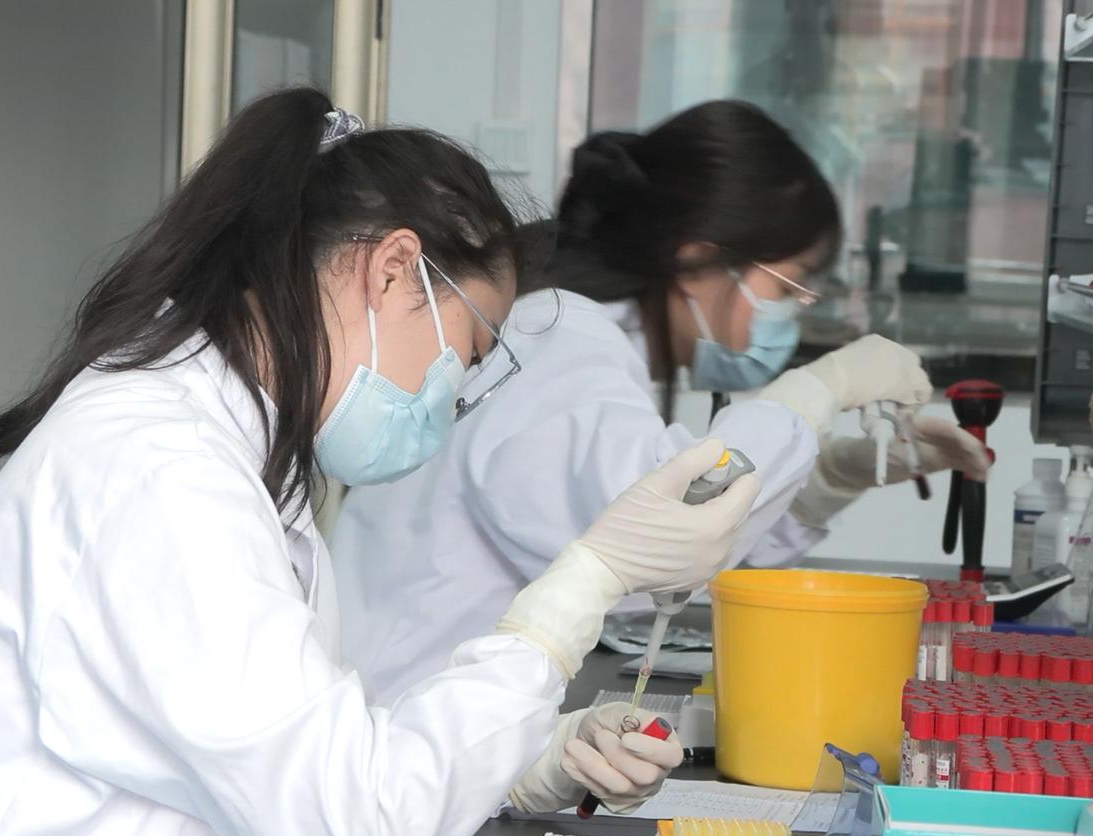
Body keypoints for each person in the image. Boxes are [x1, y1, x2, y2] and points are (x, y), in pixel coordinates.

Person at [0, 89, 760, 836]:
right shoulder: (158, 473)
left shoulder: (229, 449)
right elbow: (359, 829)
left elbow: (297, 750)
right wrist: (581, 585)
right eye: (469, 353)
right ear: (392, 270)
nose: (452, 398)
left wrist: (527, 763)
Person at [333, 100, 991, 701]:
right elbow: (656, 539)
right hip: (411, 718)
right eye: (788, 289)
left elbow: (684, 543)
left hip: (435, 707)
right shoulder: (560, 334)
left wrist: (825, 481)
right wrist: (818, 391)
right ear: (701, 260)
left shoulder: (585, 332)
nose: (791, 315)